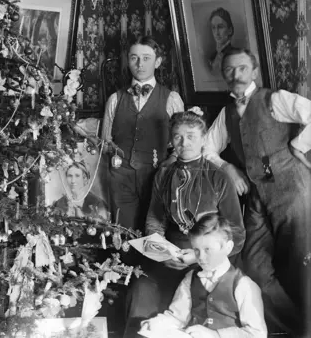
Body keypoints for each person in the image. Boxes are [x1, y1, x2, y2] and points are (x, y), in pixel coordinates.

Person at [203, 47, 311, 335]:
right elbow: (206, 148)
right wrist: (227, 167)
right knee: (253, 265)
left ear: (254, 71)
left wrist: (298, 148)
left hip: (293, 191)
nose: (235, 75)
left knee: (301, 264)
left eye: (241, 68)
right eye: (229, 70)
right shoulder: (227, 112)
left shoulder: (274, 99)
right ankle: (294, 326)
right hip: (257, 197)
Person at [124, 109, 245, 338]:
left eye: (191, 136)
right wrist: (163, 251)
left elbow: (236, 234)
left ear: (202, 140)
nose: (184, 142)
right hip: (170, 256)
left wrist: (199, 255)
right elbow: (154, 220)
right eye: (178, 136)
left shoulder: (219, 177)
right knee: (141, 289)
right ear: (171, 140)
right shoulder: (164, 175)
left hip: (208, 259)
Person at [101, 36, 184, 230]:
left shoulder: (171, 99)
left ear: (158, 62)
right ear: (128, 61)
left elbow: (181, 144)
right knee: (124, 235)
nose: (140, 64)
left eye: (146, 58)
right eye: (134, 58)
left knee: (155, 235)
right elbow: (105, 142)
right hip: (122, 180)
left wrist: (168, 166)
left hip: (157, 178)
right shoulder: (115, 99)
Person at [140, 214, 266, 338]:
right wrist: (156, 325)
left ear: (228, 248)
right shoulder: (190, 278)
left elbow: (257, 333)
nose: (200, 257)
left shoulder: (244, 285)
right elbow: (177, 317)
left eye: (207, 250)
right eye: (196, 250)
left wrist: (216, 335)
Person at [206, 8, 234, 76]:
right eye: (213, 28)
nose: (216, 33)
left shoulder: (234, 56)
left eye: (220, 27)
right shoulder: (211, 57)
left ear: (229, 30)